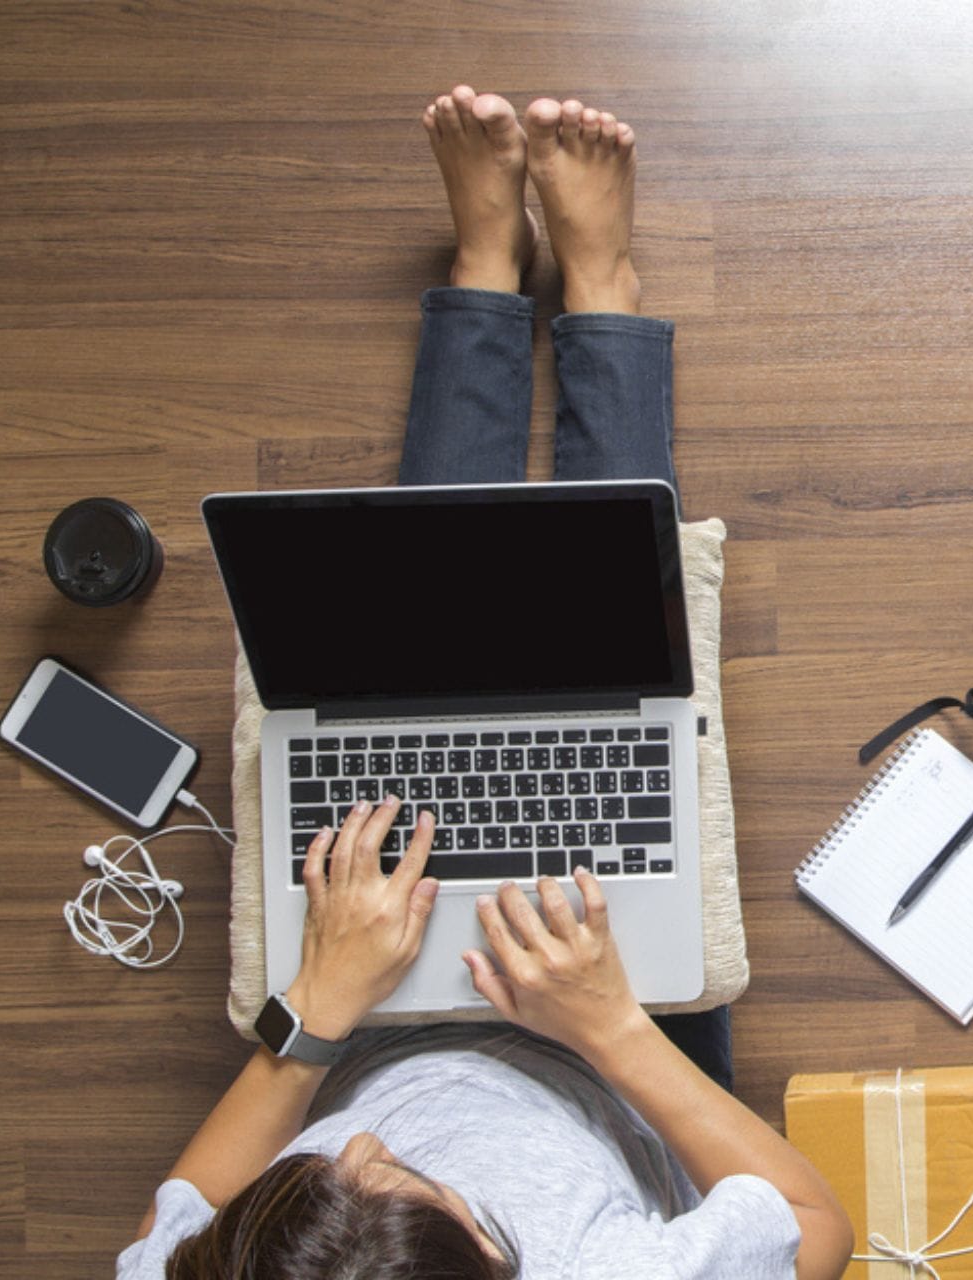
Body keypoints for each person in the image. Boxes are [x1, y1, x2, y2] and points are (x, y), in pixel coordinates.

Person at [116, 86, 854, 1280]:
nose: (359, 1140)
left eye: (321, 1169)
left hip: (367, 1020)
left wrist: (315, 1013)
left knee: (408, 659)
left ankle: (486, 272)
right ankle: (600, 292)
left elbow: (174, 1224)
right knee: (610, 633)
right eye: (398, 1172)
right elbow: (817, 1232)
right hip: (616, 1049)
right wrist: (609, 1024)